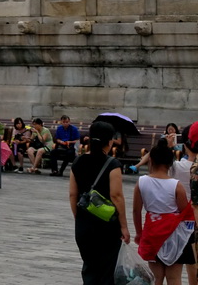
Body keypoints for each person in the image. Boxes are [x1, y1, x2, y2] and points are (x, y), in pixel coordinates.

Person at [69, 121, 130, 284]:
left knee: (90, 269)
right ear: (109, 141)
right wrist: (124, 226)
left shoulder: (78, 162)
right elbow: (116, 196)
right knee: (107, 272)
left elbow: (72, 194)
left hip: (84, 225)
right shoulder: (113, 164)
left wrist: (79, 217)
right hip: (107, 226)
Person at [134, 142, 193, 284]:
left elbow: (136, 211)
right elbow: (185, 213)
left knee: (156, 278)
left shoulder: (141, 182)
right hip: (174, 236)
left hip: (152, 233)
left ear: (151, 160)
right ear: (170, 163)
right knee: (174, 278)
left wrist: (139, 233)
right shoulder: (176, 185)